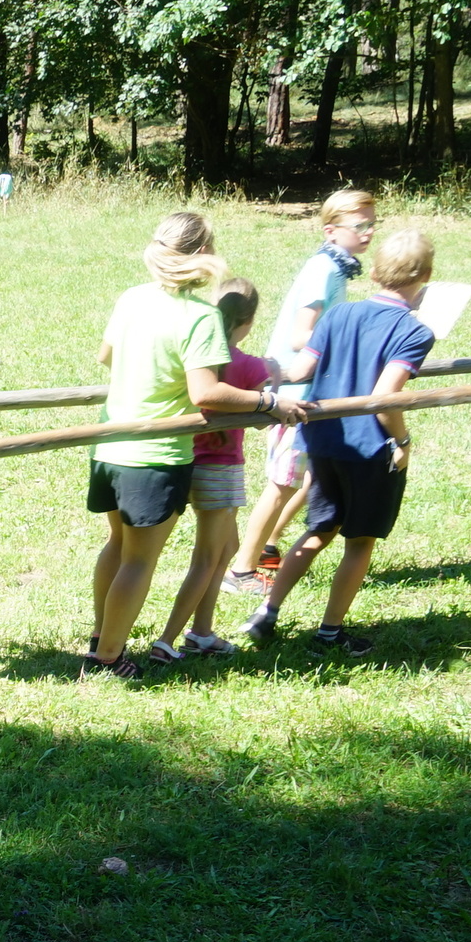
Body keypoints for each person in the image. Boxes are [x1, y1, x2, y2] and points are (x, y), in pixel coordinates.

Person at [87, 213, 300, 680]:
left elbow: (107, 356)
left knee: (117, 544)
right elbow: (206, 392)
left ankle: (100, 637)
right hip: (155, 455)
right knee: (138, 559)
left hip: (109, 445)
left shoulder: (132, 298)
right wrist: (268, 401)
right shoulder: (200, 316)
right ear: (203, 253)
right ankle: (107, 659)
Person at [245, 229, 436, 653]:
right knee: (360, 541)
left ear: (375, 273)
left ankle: (267, 611)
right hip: (369, 448)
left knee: (320, 527)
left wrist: (253, 372)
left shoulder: (338, 314)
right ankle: (330, 633)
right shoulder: (413, 331)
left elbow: (300, 371)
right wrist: (402, 442)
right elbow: (385, 399)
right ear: (425, 276)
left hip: (323, 438)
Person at [227, 189, 377, 595]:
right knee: (282, 485)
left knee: (310, 479)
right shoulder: (323, 269)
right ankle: (240, 571)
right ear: (331, 231)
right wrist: (353, 339)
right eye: (360, 225)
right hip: (293, 392)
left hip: (311, 390)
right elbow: (300, 337)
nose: (368, 232)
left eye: (372, 224)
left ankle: (267, 548)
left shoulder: (335, 268)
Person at [148, 277, 272, 662]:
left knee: (226, 549)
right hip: (221, 469)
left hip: (186, 458)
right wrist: (273, 380)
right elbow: (264, 418)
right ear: (249, 320)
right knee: (207, 558)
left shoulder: (195, 357)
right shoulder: (251, 366)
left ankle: (202, 632)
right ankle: (167, 641)